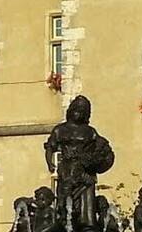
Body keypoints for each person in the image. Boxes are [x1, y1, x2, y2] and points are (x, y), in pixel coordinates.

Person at [44, 96, 114, 231]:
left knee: (86, 210)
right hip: (67, 171)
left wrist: (100, 161)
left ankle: (87, 226)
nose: (79, 113)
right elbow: (50, 147)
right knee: (64, 205)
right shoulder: (60, 130)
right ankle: (64, 222)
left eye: (83, 111)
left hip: (85, 173)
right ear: (71, 110)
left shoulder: (90, 131)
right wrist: (50, 162)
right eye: (77, 109)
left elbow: (102, 148)